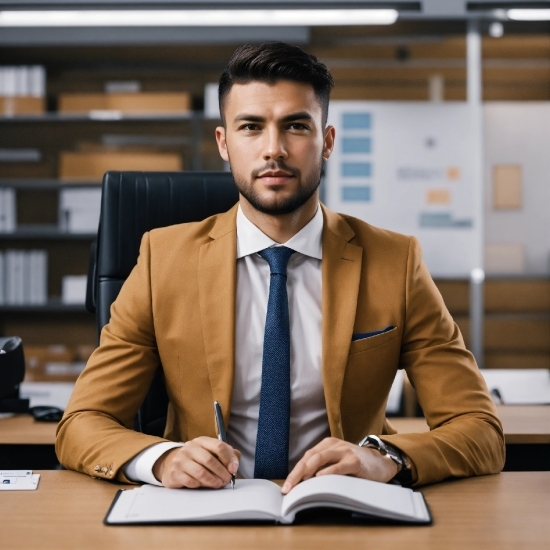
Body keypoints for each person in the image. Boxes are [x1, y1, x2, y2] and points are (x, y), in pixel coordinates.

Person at [56, 42, 504, 492]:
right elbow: (81, 423)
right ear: (224, 143)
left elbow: (480, 429)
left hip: (344, 512)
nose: (274, 149)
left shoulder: (395, 262)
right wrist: (161, 459)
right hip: (201, 511)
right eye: (251, 127)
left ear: (326, 142)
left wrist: (384, 458)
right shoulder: (162, 260)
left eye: (295, 126)